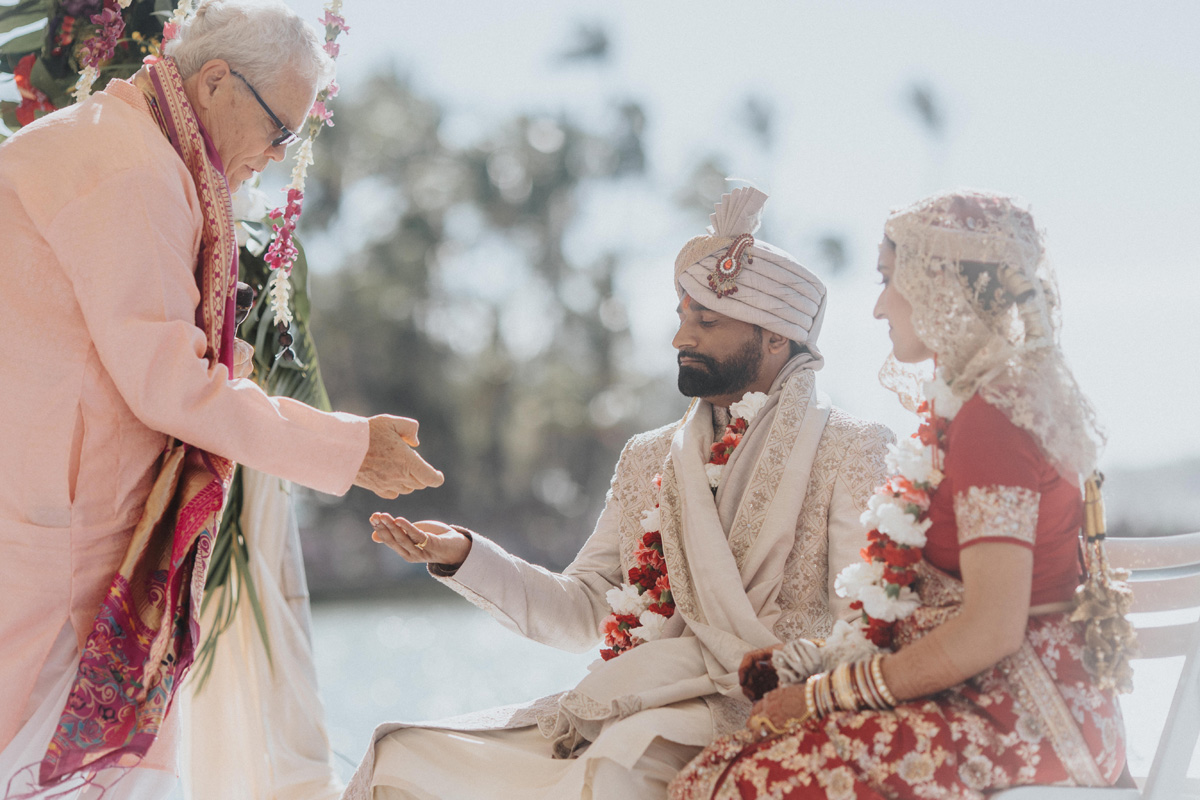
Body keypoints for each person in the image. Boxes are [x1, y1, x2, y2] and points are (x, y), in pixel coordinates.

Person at [0, 1, 443, 797]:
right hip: (54, 553)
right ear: (215, 82)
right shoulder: (128, 167)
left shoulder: (114, 137)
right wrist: (346, 449)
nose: (279, 157)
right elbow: (175, 383)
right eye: (281, 130)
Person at [343, 186, 894, 800]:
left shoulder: (850, 448)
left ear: (776, 338)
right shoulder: (648, 457)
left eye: (706, 321)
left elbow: (864, 629)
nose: (680, 336)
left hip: (760, 716)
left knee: (612, 771)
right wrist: (463, 556)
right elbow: (584, 610)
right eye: (681, 316)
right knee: (403, 756)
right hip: (633, 701)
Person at [669, 190, 1129, 799]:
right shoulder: (979, 404)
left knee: (742, 781)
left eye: (890, 280)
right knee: (725, 763)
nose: (881, 306)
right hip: (991, 694)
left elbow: (991, 629)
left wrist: (822, 694)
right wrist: (819, 660)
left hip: (1027, 712)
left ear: (947, 285)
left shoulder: (996, 417)